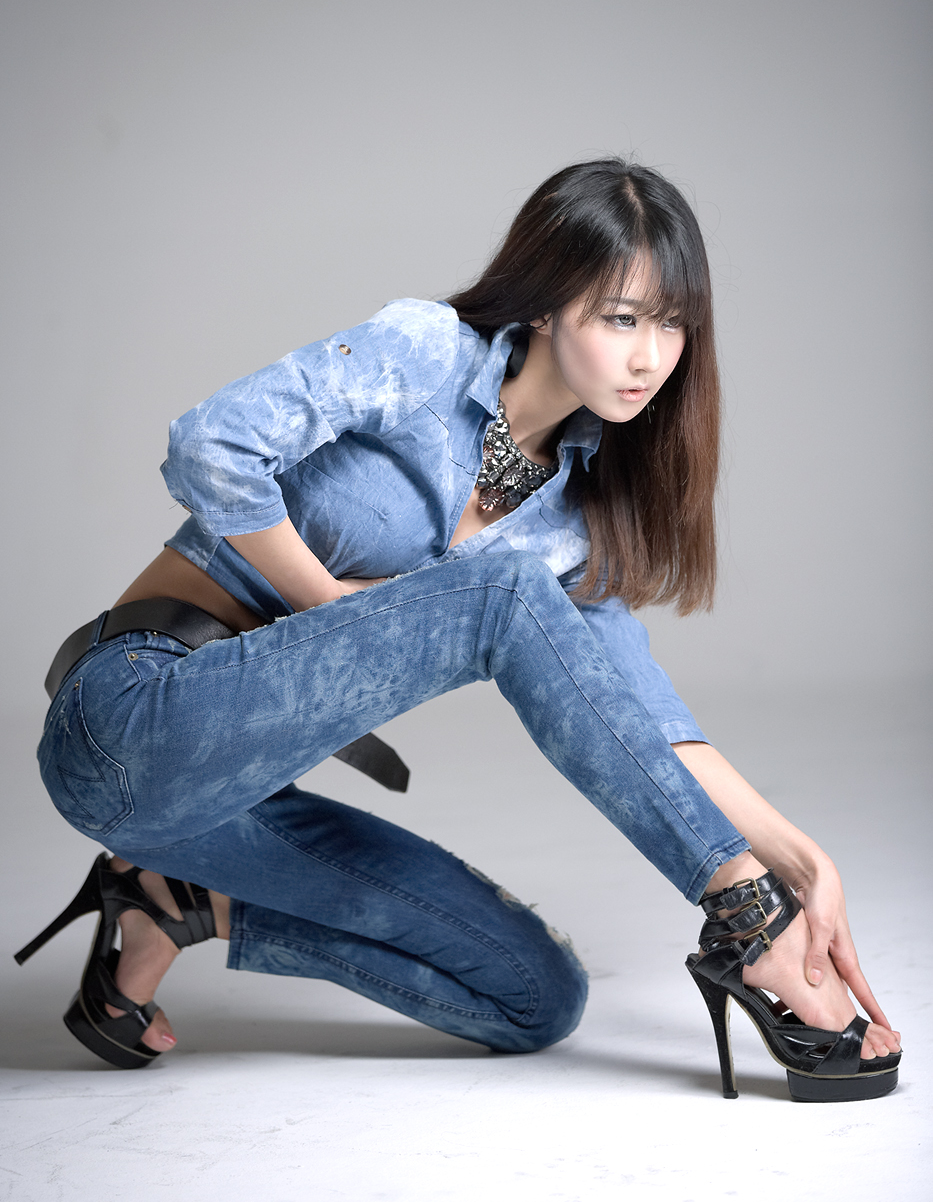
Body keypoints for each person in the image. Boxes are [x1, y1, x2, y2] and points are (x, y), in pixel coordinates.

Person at [16, 159, 901, 1100]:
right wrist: (331, 603)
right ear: (547, 306)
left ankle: (171, 900)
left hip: (221, 808)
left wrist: (801, 858)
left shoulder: (576, 524)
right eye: (621, 318)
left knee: (536, 996)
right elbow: (211, 444)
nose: (650, 357)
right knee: (502, 592)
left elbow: (645, 726)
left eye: (673, 323)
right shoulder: (426, 353)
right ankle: (746, 925)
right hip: (130, 716)